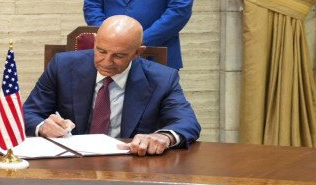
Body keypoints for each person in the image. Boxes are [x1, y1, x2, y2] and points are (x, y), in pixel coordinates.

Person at [23, 15, 200, 156]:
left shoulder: (162, 79)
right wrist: (42, 126)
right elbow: (28, 113)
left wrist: (164, 136)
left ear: (137, 53)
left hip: (131, 162)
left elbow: (187, 122)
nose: (106, 62)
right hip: (73, 160)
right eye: (101, 51)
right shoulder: (63, 66)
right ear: (95, 42)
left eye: (119, 56)